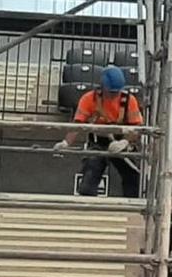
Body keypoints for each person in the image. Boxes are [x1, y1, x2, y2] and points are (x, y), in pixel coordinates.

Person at [53, 65, 143, 197]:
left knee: (132, 177)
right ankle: (88, 203)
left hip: (122, 143)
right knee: (90, 174)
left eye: (116, 92)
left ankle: (132, 205)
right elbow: (78, 124)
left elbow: (137, 128)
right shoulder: (89, 99)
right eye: (111, 92)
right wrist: (66, 142)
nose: (114, 95)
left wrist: (124, 142)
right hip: (98, 142)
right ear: (103, 87)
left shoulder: (129, 100)